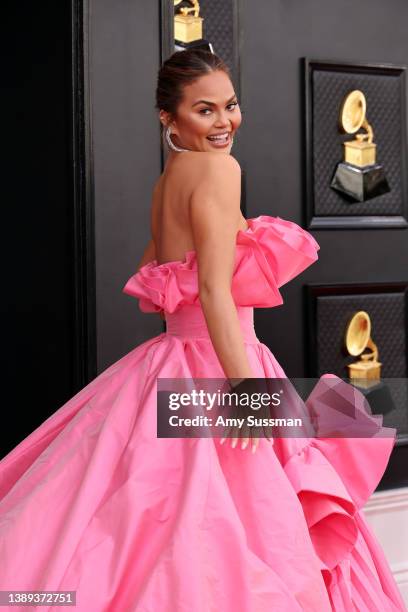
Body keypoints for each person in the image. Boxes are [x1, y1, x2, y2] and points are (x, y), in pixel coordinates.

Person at [0, 48, 406, 612]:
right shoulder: (219, 170)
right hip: (223, 364)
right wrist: (245, 392)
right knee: (235, 517)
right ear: (169, 118)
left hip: (169, 360)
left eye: (231, 106)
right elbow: (213, 290)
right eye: (204, 111)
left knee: (156, 512)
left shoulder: (171, 178)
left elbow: (157, 273)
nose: (224, 123)